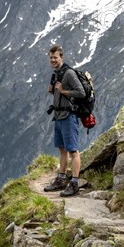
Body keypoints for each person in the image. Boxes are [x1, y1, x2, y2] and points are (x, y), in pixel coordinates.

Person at [43, 45, 85, 196]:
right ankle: (61, 179)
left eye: (55, 57)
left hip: (69, 116)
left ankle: (74, 182)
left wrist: (62, 91)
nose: (53, 60)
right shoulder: (56, 74)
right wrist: (53, 91)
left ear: (62, 57)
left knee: (73, 150)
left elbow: (81, 92)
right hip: (59, 116)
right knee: (62, 149)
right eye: (51, 58)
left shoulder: (69, 73)